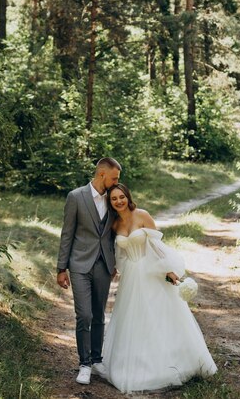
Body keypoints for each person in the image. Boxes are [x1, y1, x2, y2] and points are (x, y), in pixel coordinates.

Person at [98, 182, 217, 394]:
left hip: (150, 272)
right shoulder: (114, 224)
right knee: (133, 320)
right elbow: (119, 254)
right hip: (131, 277)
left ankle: (172, 363)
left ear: (128, 196)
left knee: (159, 316)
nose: (118, 201)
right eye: (114, 199)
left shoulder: (142, 215)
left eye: (121, 197)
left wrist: (169, 271)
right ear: (110, 201)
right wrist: (114, 270)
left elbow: (158, 247)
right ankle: (134, 364)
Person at [56, 157, 121, 385]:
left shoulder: (114, 199)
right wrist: (61, 268)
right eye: (114, 177)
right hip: (79, 265)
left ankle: (97, 360)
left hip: (104, 265)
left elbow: (117, 232)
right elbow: (67, 234)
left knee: (99, 315)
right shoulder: (76, 197)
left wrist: (117, 262)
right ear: (102, 174)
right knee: (84, 315)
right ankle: (84, 364)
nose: (117, 182)